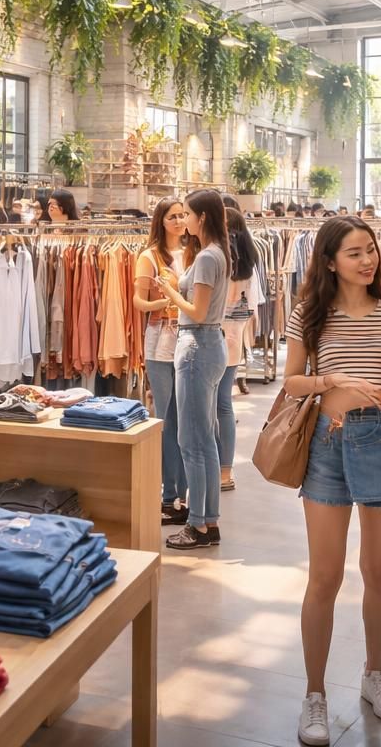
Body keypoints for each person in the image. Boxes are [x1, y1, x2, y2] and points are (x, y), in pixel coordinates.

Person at [289, 217, 381, 745]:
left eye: (370, 251)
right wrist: (331, 379)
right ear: (330, 261)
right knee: (324, 576)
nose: (367, 261)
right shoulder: (310, 315)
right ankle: (315, 693)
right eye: (354, 253)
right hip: (328, 445)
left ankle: (374, 674)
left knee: (379, 570)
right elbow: (292, 381)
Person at [154, 189, 230, 551]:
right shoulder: (215, 255)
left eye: (187, 214)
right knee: (204, 439)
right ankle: (206, 521)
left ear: (202, 217)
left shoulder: (206, 258)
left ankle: (199, 524)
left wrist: (169, 290)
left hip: (197, 344)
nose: (183, 220)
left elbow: (197, 312)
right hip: (208, 343)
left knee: (193, 441)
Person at [134, 198, 189, 524]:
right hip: (160, 343)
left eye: (183, 215)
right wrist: (166, 301)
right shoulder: (149, 256)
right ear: (161, 220)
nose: (180, 221)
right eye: (173, 216)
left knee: (187, 418)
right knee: (166, 418)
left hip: (190, 339)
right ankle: (169, 495)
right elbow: (139, 301)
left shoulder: (194, 252)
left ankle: (184, 491)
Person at [218, 208, 260, 487]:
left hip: (211, 339)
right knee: (224, 407)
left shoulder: (217, 260)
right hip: (233, 342)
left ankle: (212, 470)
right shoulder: (248, 265)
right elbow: (252, 309)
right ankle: (226, 471)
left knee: (208, 408)